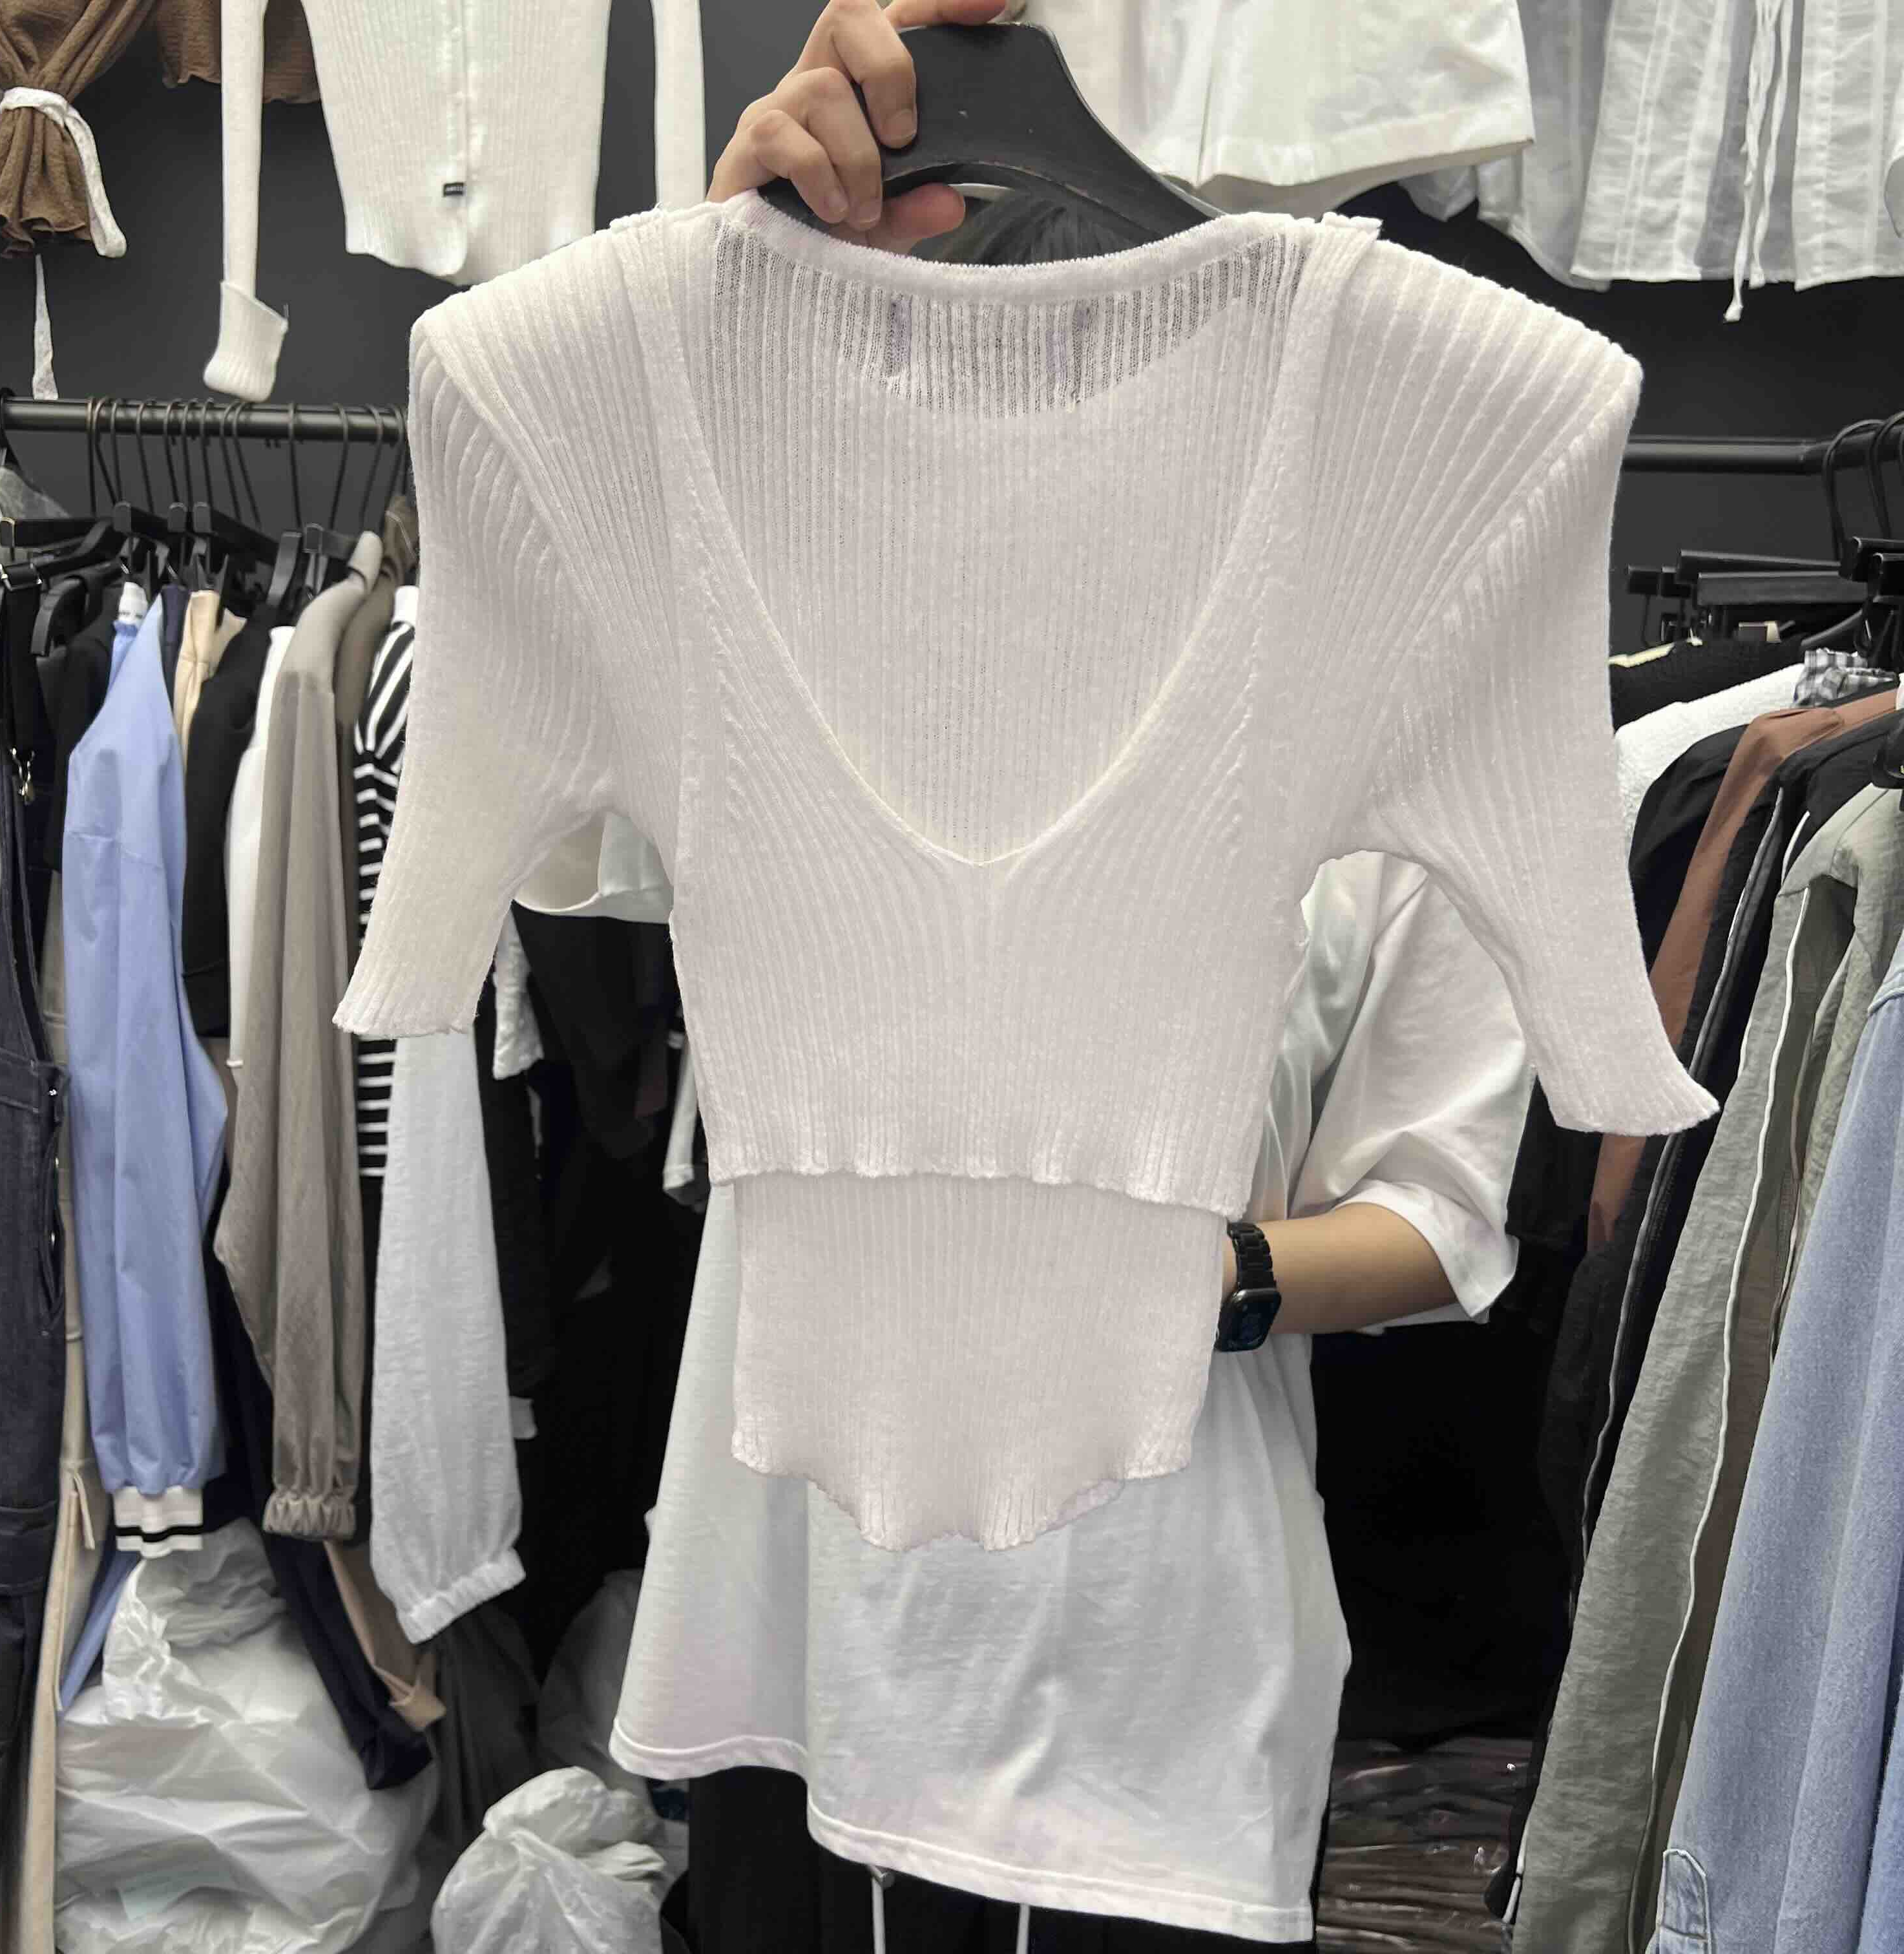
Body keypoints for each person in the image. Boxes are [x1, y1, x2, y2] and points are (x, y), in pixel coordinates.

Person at [611, 6, 1533, 1946]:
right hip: (795, 1651)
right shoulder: (803, 647)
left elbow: (1445, 1218)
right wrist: (721, 307)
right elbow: (589, 813)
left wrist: (1176, 1278)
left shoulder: (1394, 703)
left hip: (1144, 1702)